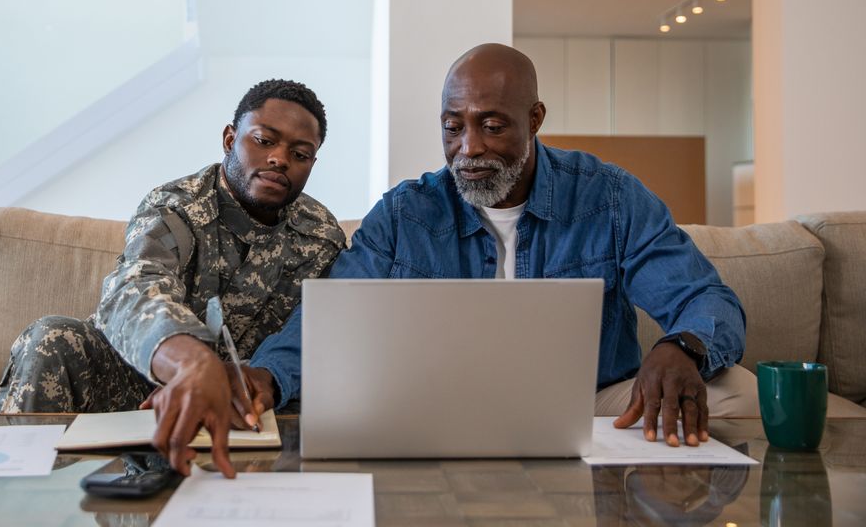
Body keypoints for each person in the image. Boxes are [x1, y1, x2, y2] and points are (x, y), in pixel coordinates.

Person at [250, 43, 756, 448]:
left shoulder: (611, 198)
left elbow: (706, 300)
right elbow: (333, 319)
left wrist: (681, 347)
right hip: (439, 407)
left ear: (534, 119)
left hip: (590, 405)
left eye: (492, 126)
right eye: (453, 127)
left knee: (738, 393)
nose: (469, 148)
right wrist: (267, 378)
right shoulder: (406, 214)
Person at [0, 79, 346, 478]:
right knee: (52, 338)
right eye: (264, 140)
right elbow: (137, 287)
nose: (280, 159)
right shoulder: (177, 205)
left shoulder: (320, 236)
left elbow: (312, 338)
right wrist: (190, 363)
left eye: (299, 153)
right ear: (230, 139)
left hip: (251, 400)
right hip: (145, 378)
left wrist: (257, 382)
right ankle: (11, 494)